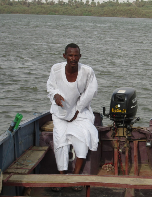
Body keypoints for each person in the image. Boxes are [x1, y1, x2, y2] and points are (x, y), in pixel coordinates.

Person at [47, 43, 98, 191]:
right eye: (70, 55)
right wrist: (55, 95)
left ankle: (75, 178)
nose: (73, 58)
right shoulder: (56, 69)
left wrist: (79, 109)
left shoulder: (87, 71)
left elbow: (91, 91)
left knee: (82, 138)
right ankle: (63, 178)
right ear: (65, 56)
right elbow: (50, 87)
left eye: (76, 55)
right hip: (60, 112)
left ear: (80, 57)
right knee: (60, 141)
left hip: (80, 111)